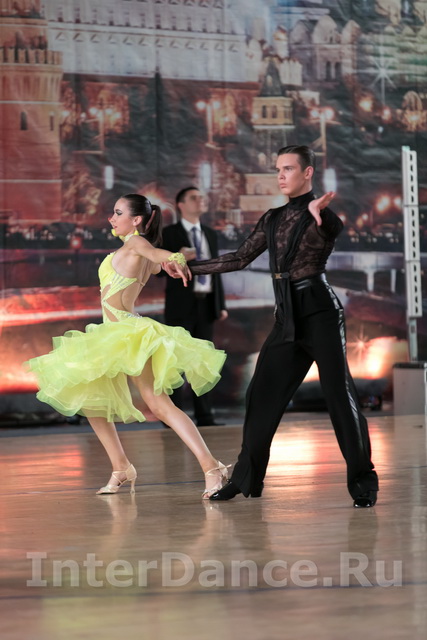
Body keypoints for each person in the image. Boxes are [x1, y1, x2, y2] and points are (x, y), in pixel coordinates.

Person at [166, 146, 379, 508]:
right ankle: (245, 479)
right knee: (261, 395)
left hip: (320, 313)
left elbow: (331, 230)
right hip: (287, 318)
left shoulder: (322, 215)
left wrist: (320, 216)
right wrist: (188, 267)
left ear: (308, 173)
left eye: (288, 169)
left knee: (340, 397)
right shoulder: (272, 218)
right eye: (278, 169)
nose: (281, 175)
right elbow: (239, 258)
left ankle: (363, 483)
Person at [26, 194, 229, 499]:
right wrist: (169, 261)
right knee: (92, 402)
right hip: (110, 334)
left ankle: (212, 467)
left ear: (136, 220)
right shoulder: (130, 249)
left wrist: (173, 257)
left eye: (118, 212)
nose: (112, 218)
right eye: (113, 212)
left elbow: (155, 253)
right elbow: (156, 262)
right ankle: (121, 467)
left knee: (159, 404)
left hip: (126, 334)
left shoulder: (136, 243)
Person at [161, 186, 228, 426]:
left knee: (202, 362)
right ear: (181, 205)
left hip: (206, 304)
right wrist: (176, 257)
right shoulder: (169, 234)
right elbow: (157, 271)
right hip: (180, 306)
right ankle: (173, 417)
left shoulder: (210, 233)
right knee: (176, 362)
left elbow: (217, 271)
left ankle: (205, 415)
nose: (200, 201)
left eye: (202, 197)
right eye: (194, 198)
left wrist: (220, 304)